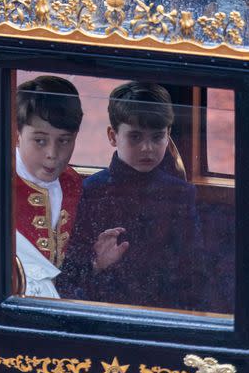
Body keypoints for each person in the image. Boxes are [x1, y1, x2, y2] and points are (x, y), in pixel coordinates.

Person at [58, 82, 205, 310]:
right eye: (135, 137)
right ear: (112, 136)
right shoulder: (89, 192)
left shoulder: (181, 195)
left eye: (157, 137)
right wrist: (97, 265)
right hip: (102, 312)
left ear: (168, 135)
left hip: (164, 314)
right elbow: (69, 276)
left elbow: (194, 274)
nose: (147, 148)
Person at [13, 76, 84, 298]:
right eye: (40, 140)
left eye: (64, 141)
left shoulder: (74, 184)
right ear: (17, 135)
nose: (53, 154)